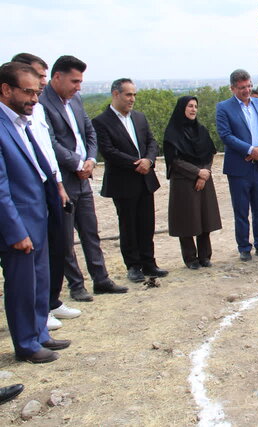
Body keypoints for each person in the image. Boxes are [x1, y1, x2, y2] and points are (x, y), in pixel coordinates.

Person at [39, 55, 126, 301]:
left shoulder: (75, 99)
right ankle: (76, 285)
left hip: (83, 177)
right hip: (62, 179)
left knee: (90, 231)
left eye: (80, 82)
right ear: (57, 77)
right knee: (65, 238)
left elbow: (88, 131)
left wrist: (89, 159)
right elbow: (50, 143)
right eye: (74, 81)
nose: (79, 87)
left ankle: (101, 279)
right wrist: (77, 163)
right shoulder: (42, 104)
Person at [0, 62, 71, 363]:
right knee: (21, 286)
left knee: (40, 280)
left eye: (36, 92)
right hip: (19, 223)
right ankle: (27, 344)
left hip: (38, 216)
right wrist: (15, 231)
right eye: (27, 92)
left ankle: (40, 332)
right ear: (6, 90)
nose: (34, 98)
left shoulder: (20, 122)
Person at [11, 53, 80, 330]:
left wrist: (58, 184)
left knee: (55, 247)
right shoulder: (15, 116)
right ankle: (38, 314)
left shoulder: (35, 109)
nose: (42, 84)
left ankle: (50, 301)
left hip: (50, 184)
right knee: (31, 257)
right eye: (38, 77)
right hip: (28, 193)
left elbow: (47, 148)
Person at [92, 78, 167, 282]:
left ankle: (149, 263)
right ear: (116, 94)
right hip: (123, 181)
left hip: (145, 179)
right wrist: (137, 163)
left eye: (134, 94)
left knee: (146, 223)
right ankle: (133, 266)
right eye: (128, 94)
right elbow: (108, 151)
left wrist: (149, 161)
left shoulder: (140, 118)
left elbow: (152, 142)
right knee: (128, 225)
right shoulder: (101, 121)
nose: (132, 99)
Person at [215, 69, 258, 261]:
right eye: (242, 87)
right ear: (233, 88)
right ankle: (243, 247)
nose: (247, 90)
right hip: (239, 168)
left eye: (249, 85)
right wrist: (250, 150)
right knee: (241, 210)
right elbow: (226, 136)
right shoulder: (224, 108)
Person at [164, 96, 222, 269]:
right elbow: (174, 161)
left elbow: (209, 153)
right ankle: (190, 258)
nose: (193, 109)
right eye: (190, 106)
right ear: (182, 108)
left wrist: (205, 174)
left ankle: (205, 256)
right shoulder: (172, 132)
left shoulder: (201, 130)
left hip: (204, 179)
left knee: (205, 218)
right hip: (184, 181)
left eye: (196, 106)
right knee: (187, 220)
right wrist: (197, 172)